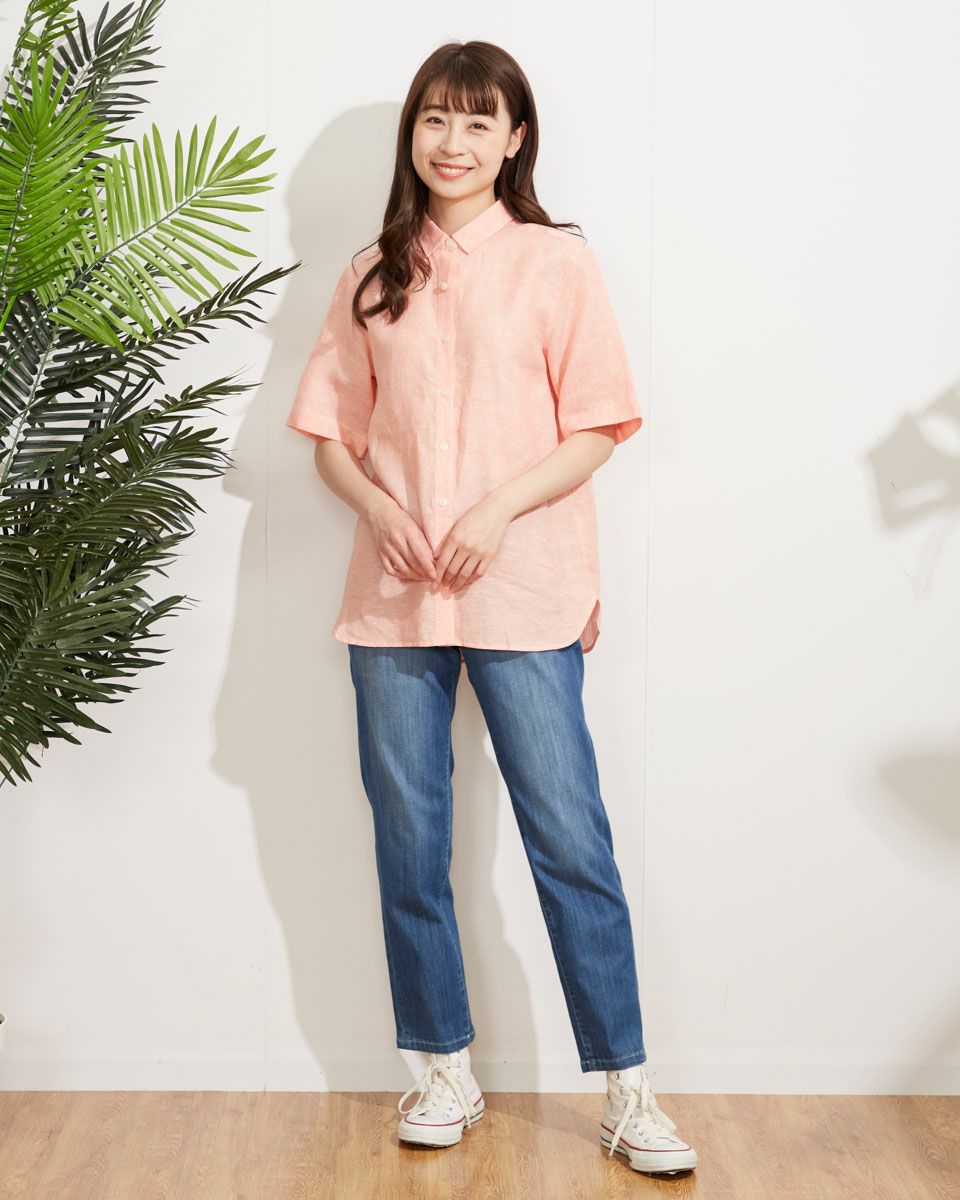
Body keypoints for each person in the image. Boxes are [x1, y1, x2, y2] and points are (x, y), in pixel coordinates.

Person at [286, 39, 698, 1177]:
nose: (453, 141)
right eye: (435, 118)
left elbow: (597, 426)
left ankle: (627, 1086)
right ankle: (440, 1067)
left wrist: (495, 510)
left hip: (526, 588)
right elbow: (330, 435)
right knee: (409, 843)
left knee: (571, 841)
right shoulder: (373, 271)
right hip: (395, 598)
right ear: (412, 133)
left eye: (478, 121)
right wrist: (380, 506)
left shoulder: (557, 265)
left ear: (516, 139)